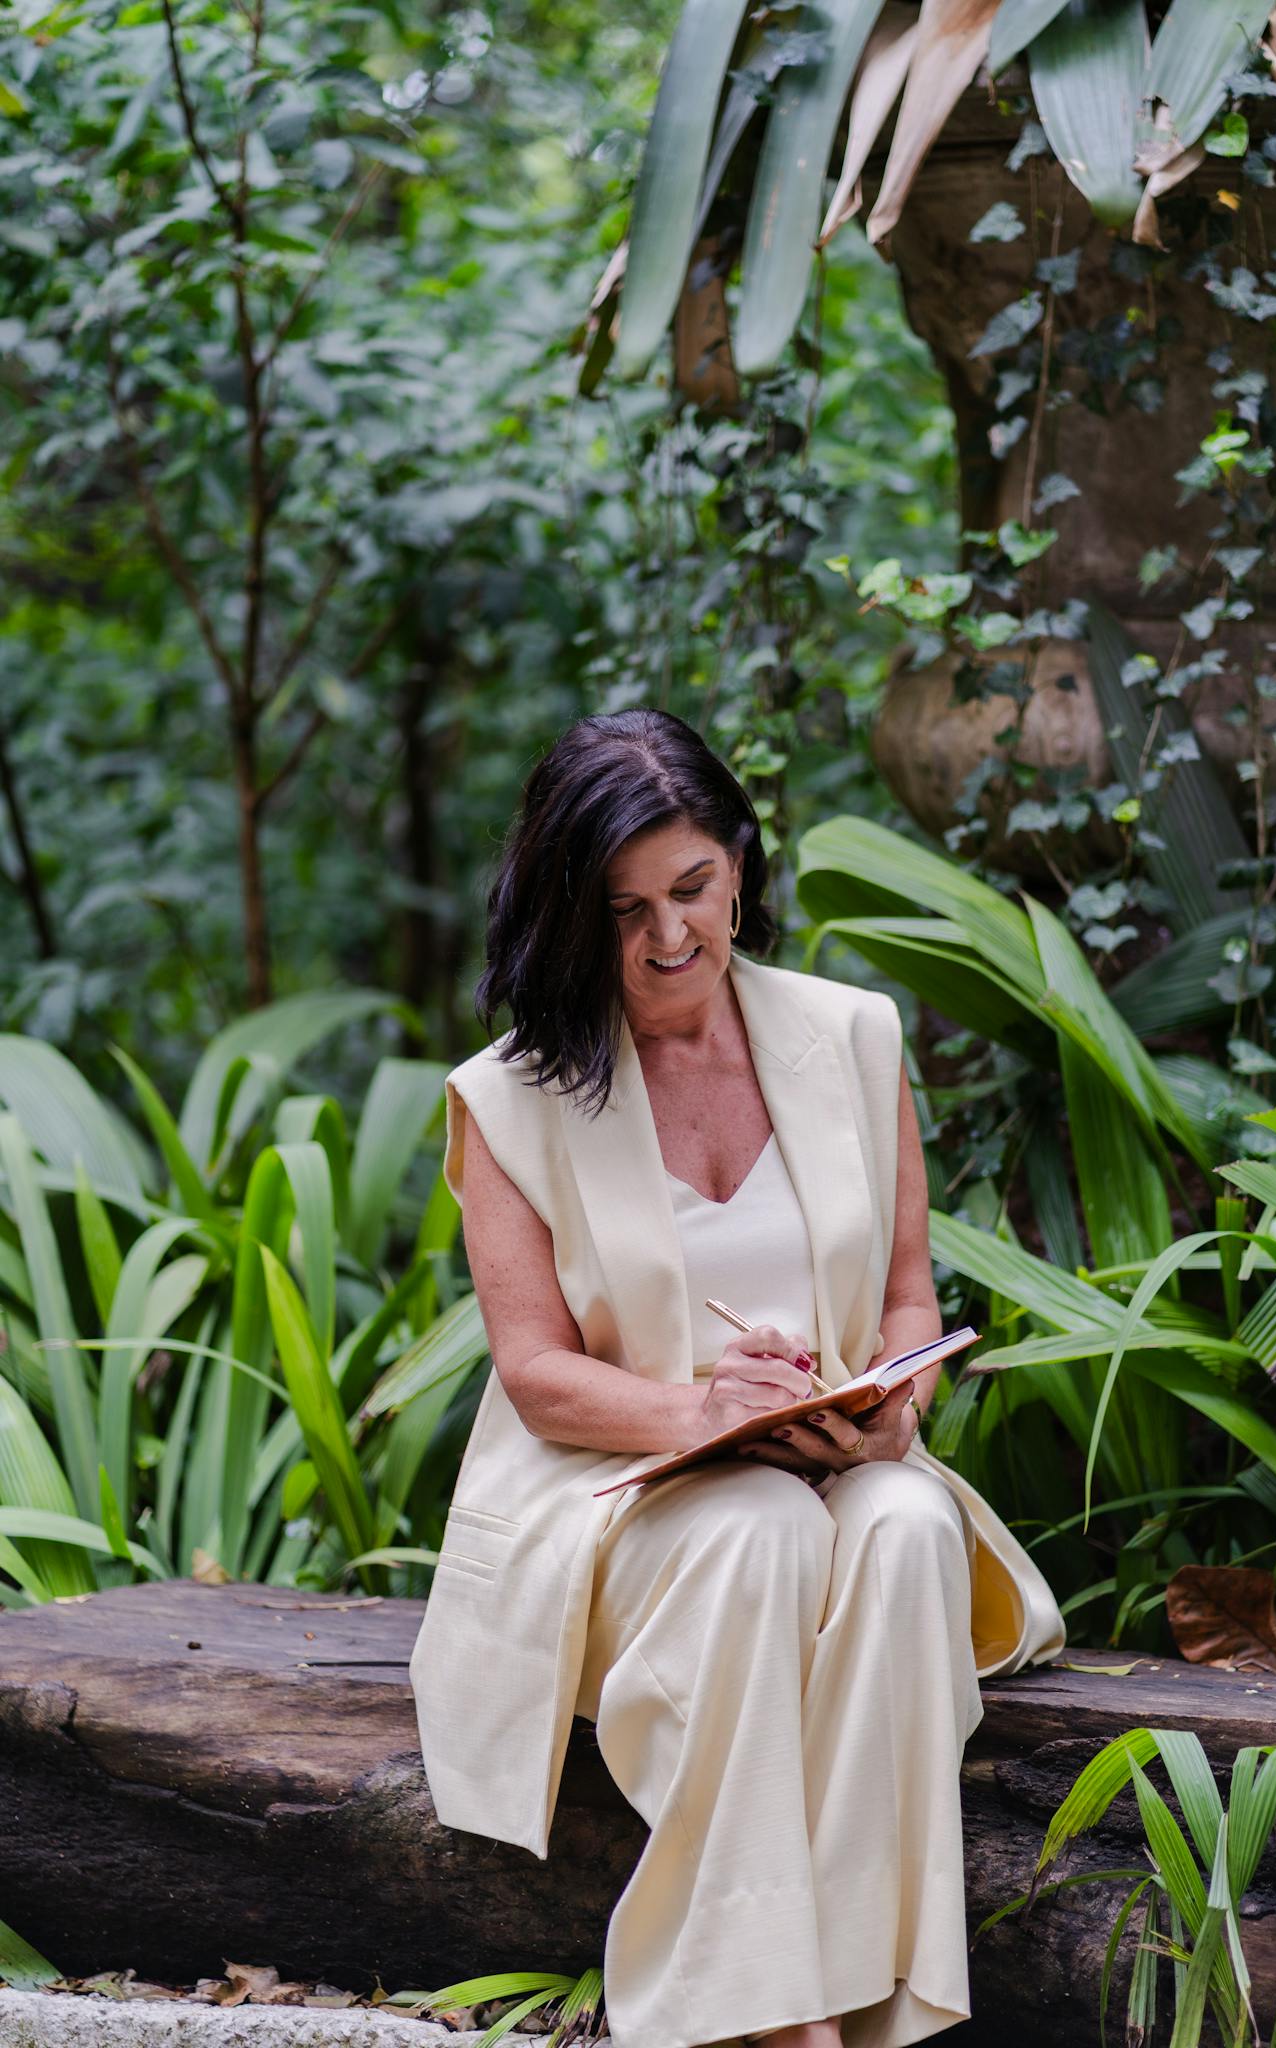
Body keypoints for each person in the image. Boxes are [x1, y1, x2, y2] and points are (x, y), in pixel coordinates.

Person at [409, 710, 1065, 2048]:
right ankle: (776, 2024)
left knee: (901, 1529)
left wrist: (889, 1410)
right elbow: (535, 1376)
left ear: (739, 867)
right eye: (625, 907)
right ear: (570, 913)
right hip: (616, 1498)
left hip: (831, 1464)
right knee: (757, 1531)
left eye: (693, 888)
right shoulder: (509, 1096)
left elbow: (900, 1295)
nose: (667, 937)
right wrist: (702, 1416)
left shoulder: (849, 1037)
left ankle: (863, 2003)